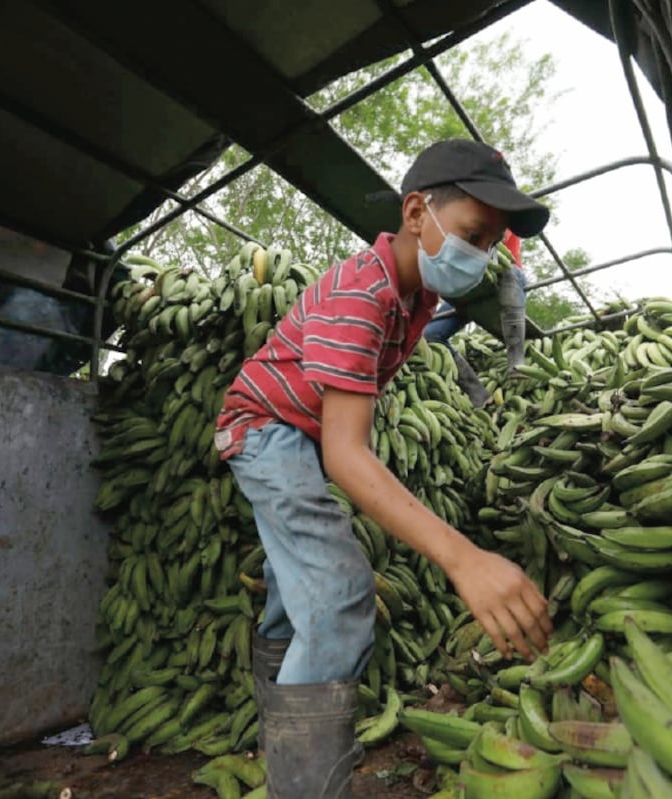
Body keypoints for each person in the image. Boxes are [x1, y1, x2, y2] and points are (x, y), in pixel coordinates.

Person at [213, 139, 553, 798]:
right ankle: (303, 787)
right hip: (264, 430)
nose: (480, 257)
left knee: (296, 598)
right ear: (418, 211)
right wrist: (464, 558)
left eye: (491, 245)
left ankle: (283, 746)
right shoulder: (361, 293)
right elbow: (346, 452)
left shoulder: (414, 297)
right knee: (339, 598)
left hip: (296, 435)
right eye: (474, 235)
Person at [423, 229, 529, 406]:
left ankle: (516, 357)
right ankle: (477, 393)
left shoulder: (497, 211)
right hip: (467, 282)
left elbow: (498, 237)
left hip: (505, 276)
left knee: (507, 270)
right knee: (430, 334)